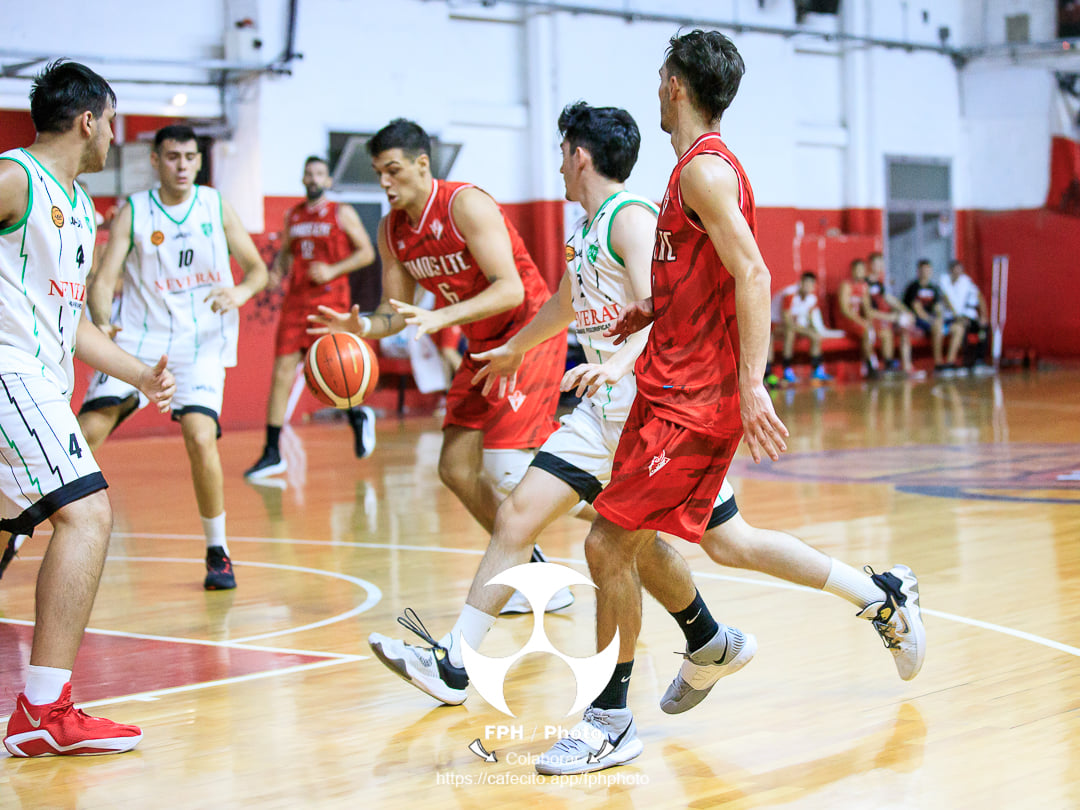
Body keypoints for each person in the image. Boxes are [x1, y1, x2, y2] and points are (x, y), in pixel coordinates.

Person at [365, 102, 913, 722]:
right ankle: (456, 664)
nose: (559, 167)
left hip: (654, 414)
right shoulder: (586, 230)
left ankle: (872, 594)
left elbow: (662, 312)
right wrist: (513, 349)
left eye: (562, 153)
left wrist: (620, 361)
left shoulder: (632, 220)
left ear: (579, 155)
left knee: (726, 545)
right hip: (602, 414)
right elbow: (566, 306)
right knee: (520, 515)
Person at [534, 31, 926, 776]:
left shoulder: (703, 174)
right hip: (667, 385)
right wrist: (643, 321)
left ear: (676, 87)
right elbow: (701, 278)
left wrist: (752, 385)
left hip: (693, 399)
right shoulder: (690, 174)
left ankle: (611, 718)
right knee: (723, 539)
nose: (655, 91)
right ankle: (875, 597)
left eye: (659, 80)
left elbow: (753, 272)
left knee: (608, 544)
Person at [308, 119, 570, 608]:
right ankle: (534, 571)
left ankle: (623, 518)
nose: (384, 183)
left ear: (422, 164)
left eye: (393, 170)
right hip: (480, 343)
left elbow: (509, 287)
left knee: (505, 465)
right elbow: (395, 313)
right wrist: (360, 328)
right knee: (453, 467)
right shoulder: (392, 230)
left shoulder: (464, 204)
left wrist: (442, 315)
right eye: (378, 173)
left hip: (527, 334)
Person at [0, 60, 175, 757]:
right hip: (9, 372)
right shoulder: (14, 177)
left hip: (39, 377)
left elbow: (70, 321)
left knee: (9, 527)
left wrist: (139, 373)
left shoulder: (75, 205)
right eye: (113, 121)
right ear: (88, 121)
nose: (115, 135)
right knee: (89, 512)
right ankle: (45, 709)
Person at [77, 124, 268, 591]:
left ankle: (217, 550)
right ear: (156, 161)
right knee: (86, 433)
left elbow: (260, 269)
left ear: (199, 162)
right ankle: (15, 533)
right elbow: (103, 278)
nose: (182, 165)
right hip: (141, 339)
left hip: (200, 341)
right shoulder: (135, 211)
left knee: (200, 437)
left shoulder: (215, 205)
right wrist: (102, 321)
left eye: (190, 157)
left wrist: (240, 291)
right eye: (173, 157)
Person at [244, 156, 377, 480]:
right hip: (296, 303)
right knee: (281, 374)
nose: (314, 178)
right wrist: (277, 271)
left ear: (328, 180)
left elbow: (367, 253)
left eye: (320, 173)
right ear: (303, 178)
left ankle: (358, 417)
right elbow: (287, 252)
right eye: (309, 172)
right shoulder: (294, 215)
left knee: (337, 375)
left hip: (330, 303)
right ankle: (272, 452)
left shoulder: (341, 213)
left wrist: (333, 268)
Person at [867, 251, 922, 378]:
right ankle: (888, 364)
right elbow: (867, 310)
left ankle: (907, 366)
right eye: (877, 263)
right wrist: (889, 317)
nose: (880, 266)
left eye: (882, 263)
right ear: (870, 265)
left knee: (904, 327)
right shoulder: (865, 284)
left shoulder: (879, 284)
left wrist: (906, 311)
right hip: (872, 319)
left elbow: (889, 299)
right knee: (889, 330)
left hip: (882, 318)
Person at [939, 259, 991, 376]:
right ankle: (959, 361)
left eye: (959, 269)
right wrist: (958, 317)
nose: (958, 272)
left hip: (967, 318)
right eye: (955, 269)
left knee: (983, 329)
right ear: (950, 271)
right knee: (961, 328)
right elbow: (946, 301)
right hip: (951, 319)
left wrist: (983, 316)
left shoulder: (967, 282)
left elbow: (979, 298)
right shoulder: (944, 283)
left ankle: (979, 361)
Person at [778, 272, 832, 384]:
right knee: (790, 333)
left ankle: (817, 370)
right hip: (778, 326)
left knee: (816, 336)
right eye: (806, 284)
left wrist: (815, 330)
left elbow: (812, 320)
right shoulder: (789, 294)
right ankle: (786, 370)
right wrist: (806, 331)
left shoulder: (812, 299)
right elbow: (787, 321)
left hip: (796, 327)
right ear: (800, 283)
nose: (808, 287)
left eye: (811, 284)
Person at [836, 258, 880, 378]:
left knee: (873, 330)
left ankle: (872, 364)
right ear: (852, 270)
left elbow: (867, 309)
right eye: (857, 269)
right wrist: (861, 321)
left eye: (862, 269)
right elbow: (844, 310)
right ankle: (870, 365)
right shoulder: (846, 285)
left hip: (857, 320)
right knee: (866, 330)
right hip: (845, 321)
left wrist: (869, 321)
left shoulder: (864, 286)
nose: (860, 272)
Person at [902, 259, 946, 371]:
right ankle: (908, 367)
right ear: (918, 271)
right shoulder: (913, 287)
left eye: (927, 270)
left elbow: (937, 308)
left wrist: (939, 317)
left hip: (929, 321)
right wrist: (931, 320)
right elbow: (917, 309)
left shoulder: (934, 288)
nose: (925, 272)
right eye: (923, 270)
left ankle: (938, 363)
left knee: (939, 326)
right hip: (915, 320)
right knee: (934, 325)